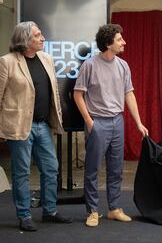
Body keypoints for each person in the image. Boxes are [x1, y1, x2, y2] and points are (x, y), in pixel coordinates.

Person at [74, 24, 148, 227]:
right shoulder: (89, 65)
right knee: (92, 169)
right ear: (108, 44)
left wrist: (139, 122)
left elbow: (129, 94)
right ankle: (92, 211)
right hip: (97, 122)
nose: (124, 42)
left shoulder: (123, 65)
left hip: (117, 121)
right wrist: (90, 122)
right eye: (119, 39)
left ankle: (114, 209)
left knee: (116, 168)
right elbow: (77, 94)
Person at [0, 21, 72, 231]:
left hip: (42, 126)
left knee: (51, 168)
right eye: (38, 35)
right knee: (21, 172)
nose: (42, 38)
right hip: (19, 125)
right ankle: (24, 215)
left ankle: (50, 211)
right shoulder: (7, 62)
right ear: (25, 40)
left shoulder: (46, 58)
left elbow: (53, 92)